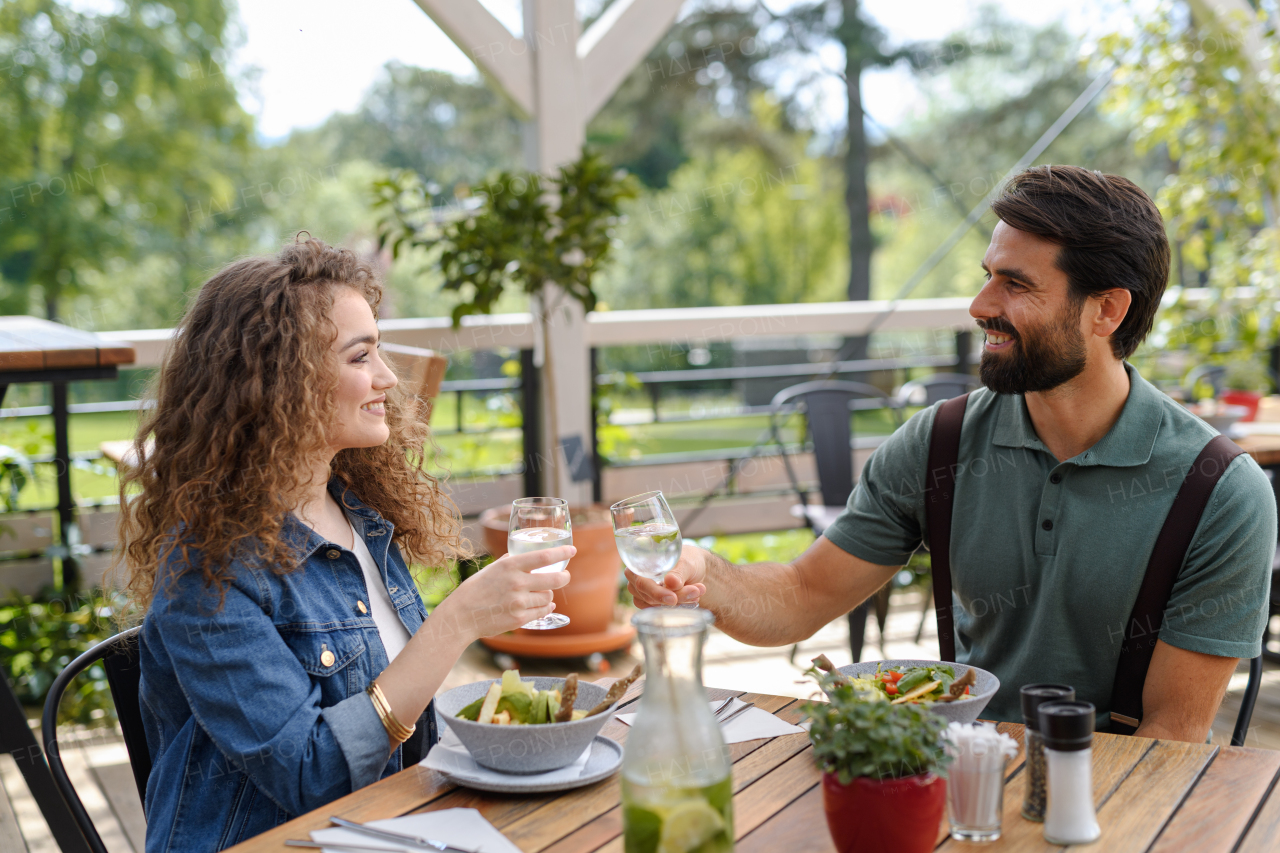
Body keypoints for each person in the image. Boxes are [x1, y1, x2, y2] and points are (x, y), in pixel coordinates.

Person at [628, 166, 1276, 743]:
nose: (980, 305)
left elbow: (1171, 738)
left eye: (1015, 284)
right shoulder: (938, 443)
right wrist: (705, 572)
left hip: (1111, 810)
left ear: (1106, 310)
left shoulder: (1218, 491)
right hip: (951, 783)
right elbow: (803, 593)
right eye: (987, 275)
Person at [119, 238, 574, 852]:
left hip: (387, 830)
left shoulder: (358, 516)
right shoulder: (208, 568)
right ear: (279, 382)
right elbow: (311, 775)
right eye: (361, 357)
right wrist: (457, 621)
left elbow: (409, 740)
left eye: (378, 350)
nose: (388, 377)